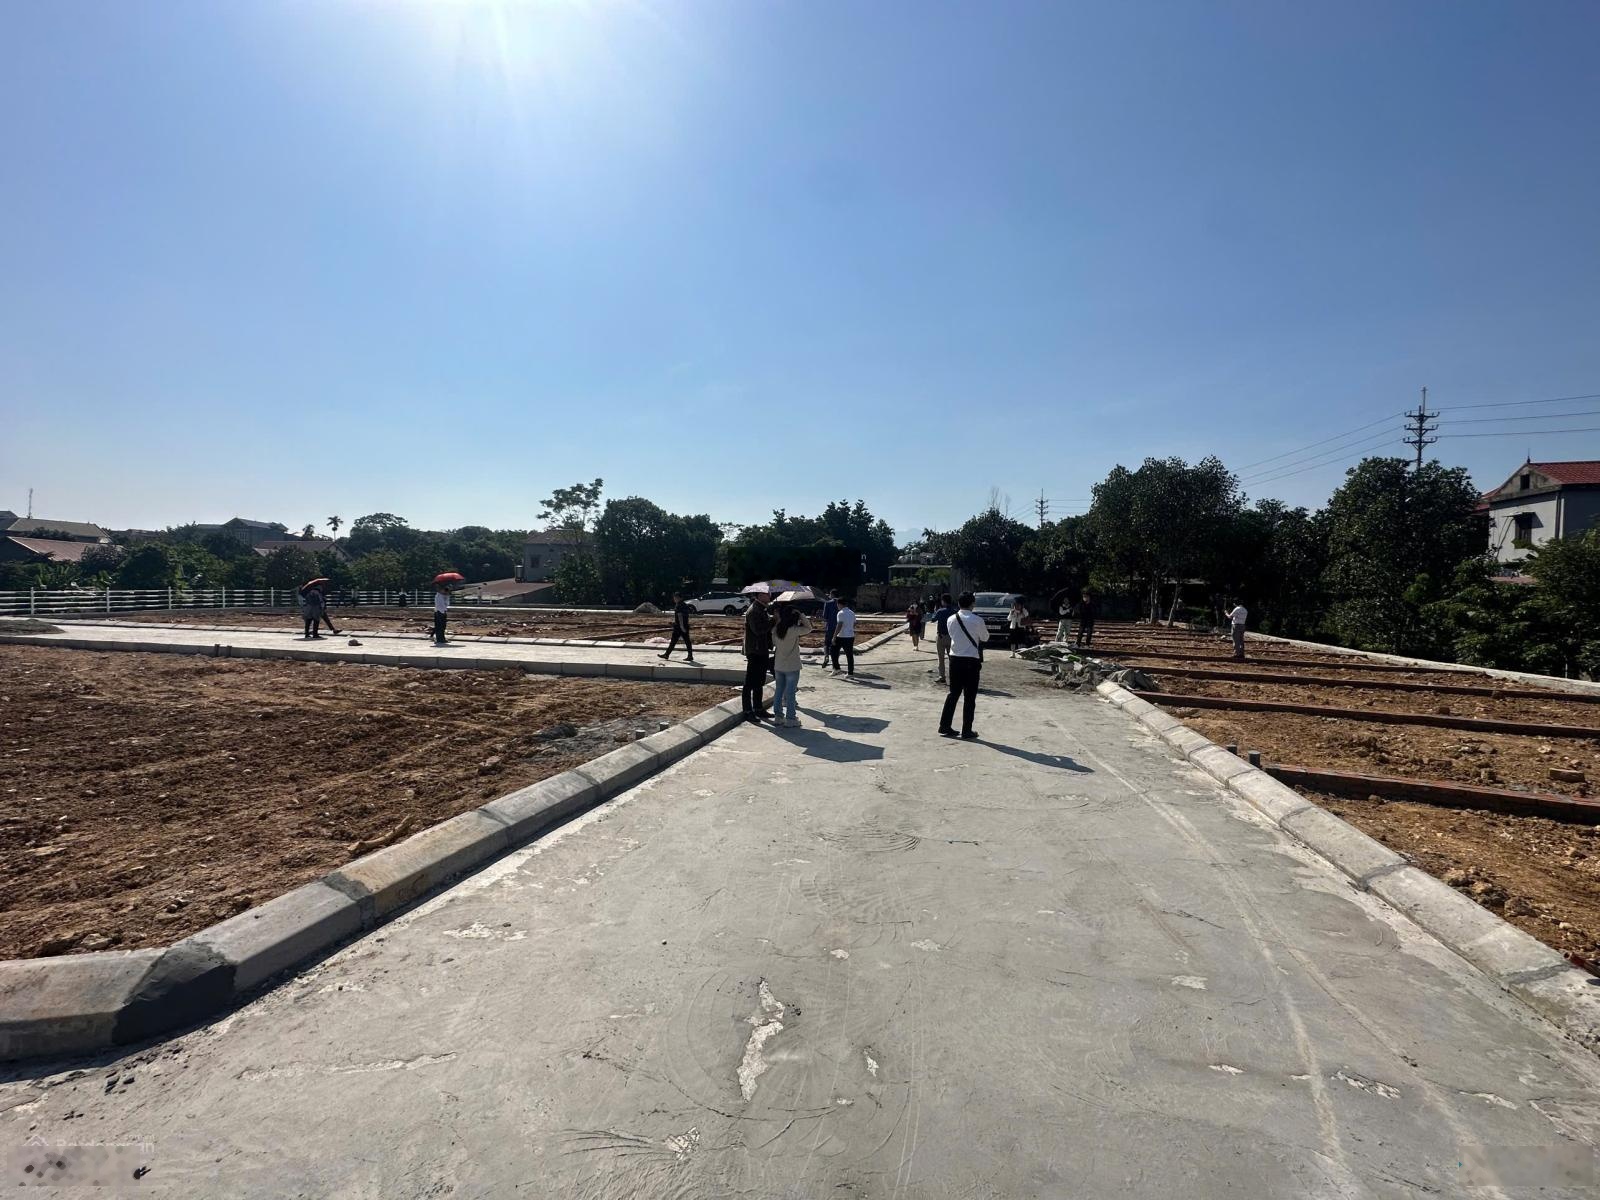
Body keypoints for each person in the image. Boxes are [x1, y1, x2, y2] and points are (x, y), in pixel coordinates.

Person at [939, 592, 989, 740]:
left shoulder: (951, 619)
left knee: (953, 694)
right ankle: (967, 730)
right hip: (971, 661)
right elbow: (985, 637)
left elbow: (952, 635)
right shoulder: (977, 620)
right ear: (972, 604)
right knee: (970, 697)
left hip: (955, 659)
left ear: (959, 603)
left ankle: (944, 725)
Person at [770, 600, 813, 727]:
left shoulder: (776, 629)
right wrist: (801, 615)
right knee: (790, 693)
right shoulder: (794, 630)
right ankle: (790, 718)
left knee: (779, 691)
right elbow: (809, 628)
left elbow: (774, 643)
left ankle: (778, 717)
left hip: (779, 665)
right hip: (792, 666)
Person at [742, 588, 775, 722]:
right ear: (760, 595)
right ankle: (747, 710)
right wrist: (773, 621)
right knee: (750, 682)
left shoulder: (762, 609)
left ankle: (758, 708)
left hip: (761, 649)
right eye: (767, 593)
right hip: (755, 650)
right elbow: (758, 630)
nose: (769, 595)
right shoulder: (754, 610)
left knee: (759, 681)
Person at [659, 591, 695, 662]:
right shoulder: (684, 604)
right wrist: (675, 623)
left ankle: (667, 654)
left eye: (675, 598)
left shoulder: (678, 605)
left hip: (679, 627)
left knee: (674, 641)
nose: (674, 599)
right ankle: (690, 656)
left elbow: (680, 616)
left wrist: (681, 626)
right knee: (687, 641)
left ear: (678, 598)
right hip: (684, 625)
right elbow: (685, 616)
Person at [931, 592, 956, 684]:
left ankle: (942, 676)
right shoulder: (955, 611)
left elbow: (933, 619)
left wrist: (935, 611)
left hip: (941, 637)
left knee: (941, 658)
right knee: (952, 659)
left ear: (943, 601)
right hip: (952, 637)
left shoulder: (940, 611)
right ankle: (954, 677)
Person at [831, 596, 857, 676]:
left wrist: (834, 637)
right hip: (850, 636)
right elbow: (854, 623)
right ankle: (850, 673)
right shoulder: (852, 613)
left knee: (833, 652)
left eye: (837, 604)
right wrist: (849, 629)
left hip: (841, 636)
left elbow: (839, 625)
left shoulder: (840, 613)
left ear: (839, 604)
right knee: (849, 655)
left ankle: (837, 668)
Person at [820, 590, 839, 667]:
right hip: (840, 628)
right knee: (836, 645)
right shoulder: (841, 603)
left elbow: (825, 616)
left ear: (832, 594)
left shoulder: (828, 602)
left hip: (830, 627)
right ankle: (835, 664)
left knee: (826, 644)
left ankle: (826, 656)